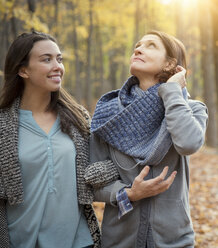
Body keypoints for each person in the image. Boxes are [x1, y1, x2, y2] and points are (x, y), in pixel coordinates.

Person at [0, 31, 174, 248]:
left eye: (59, 59)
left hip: (78, 241)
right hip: (18, 240)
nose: (57, 66)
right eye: (47, 59)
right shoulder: (3, 126)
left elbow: (94, 174)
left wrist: (128, 190)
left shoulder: (77, 119)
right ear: (23, 70)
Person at [86, 30, 208, 248]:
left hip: (173, 241)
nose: (138, 48)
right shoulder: (109, 114)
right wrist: (128, 193)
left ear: (171, 64)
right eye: (138, 45)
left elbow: (188, 143)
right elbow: (93, 184)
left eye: (151, 45)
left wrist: (171, 90)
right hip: (119, 242)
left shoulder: (190, 109)